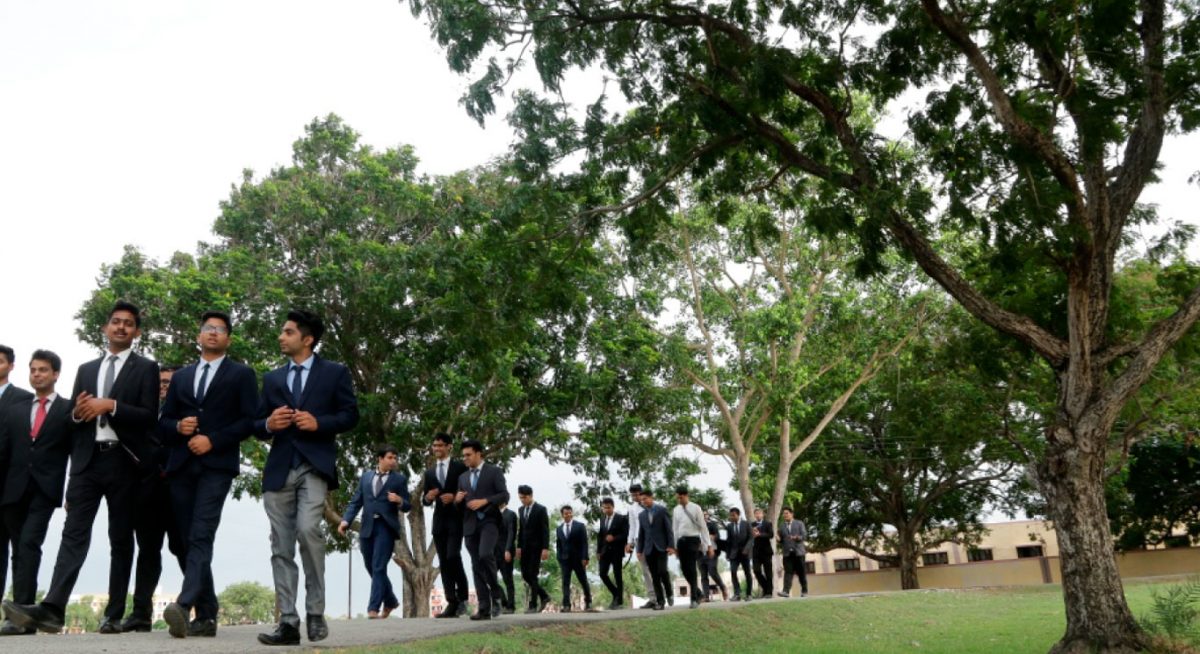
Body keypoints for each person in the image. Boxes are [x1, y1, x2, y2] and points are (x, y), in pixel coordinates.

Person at [4, 301, 160, 634]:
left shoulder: (146, 368)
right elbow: (72, 421)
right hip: (87, 463)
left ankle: (114, 614)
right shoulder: (86, 369)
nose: (121, 327)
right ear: (105, 328)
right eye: (115, 322)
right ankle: (53, 608)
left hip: (124, 461)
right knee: (73, 534)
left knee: (120, 538)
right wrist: (78, 413)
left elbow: (149, 417)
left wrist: (111, 405)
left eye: (128, 323)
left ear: (136, 332)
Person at [254, 310, 359, 646]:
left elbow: (350, 415)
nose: (281, 337)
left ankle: (315, 611)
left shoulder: (335, 373)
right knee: (280, 546)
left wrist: (319, 423)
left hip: (314, 466)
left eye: (288, 332)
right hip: (279, 471)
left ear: (308, 339)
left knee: (308, 530)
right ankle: (288, 622)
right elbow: (256, 424)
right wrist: (269, 423)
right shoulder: (272, 379)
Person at [160, 312, 259, 639]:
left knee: (201, 533)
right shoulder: (182, 377)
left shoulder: (241, 374)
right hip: (181, 467)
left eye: (220, 329)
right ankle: (206, 614)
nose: (213, 333)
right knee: (184, 541)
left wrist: (213, 440)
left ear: (228, 338)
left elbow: (250, 421)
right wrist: (178, 426)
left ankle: (184, 603)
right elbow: (164, 422)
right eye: (207, 328)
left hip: (217, 466)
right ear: (199, 336)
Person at [0, 350, 70, 636]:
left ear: (55, 374)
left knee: (29, 543)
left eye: (43, 370)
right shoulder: (15, 410)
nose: (37, 375)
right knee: (19, 548)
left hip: (45, 489)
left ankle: (21, 613)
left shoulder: (67, 409)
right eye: (33, 370)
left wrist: (73, 489)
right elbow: (4, 451)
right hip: (13, 490)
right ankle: (22, 615)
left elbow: (75, 451)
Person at [125, 364, 187, 633]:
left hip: (178, 489)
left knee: (183, 548)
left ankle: (201, 606)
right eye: (160, 382)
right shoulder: (144, 414)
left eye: (169, 382)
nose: (163, 387)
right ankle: (140, 614)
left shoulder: (188, 414)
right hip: (147, 490)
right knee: (148, 552)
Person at [339, 445, 411, 619]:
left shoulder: (399, 480)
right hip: (367, 526)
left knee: (379, 566)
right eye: (390, 457)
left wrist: (399, 500)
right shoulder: (366, 477)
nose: (393, 461)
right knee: (370, 566)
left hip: (386, 527)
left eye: (395, 458)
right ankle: (391, 600)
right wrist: (345, 521)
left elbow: (408, 505)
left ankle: (373, 608)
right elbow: (356, 502)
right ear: (380, 458)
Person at [454, 439, 509, 621]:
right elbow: (459, 507)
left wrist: (485, 501)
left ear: (478, 454)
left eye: (468, 455)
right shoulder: (462, 478)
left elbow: (504, 495)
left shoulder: (494, 472)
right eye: (463, 456)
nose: (465, 458)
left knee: (485, 555)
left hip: (489, 521)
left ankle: (496, 594)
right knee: (476, 565)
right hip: (470, 525)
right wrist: (457, 500)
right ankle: (484, 608)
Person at [422, 432, 469, 618]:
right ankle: (452, 601)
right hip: (439, 522)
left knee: (453, 555)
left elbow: (468, 491)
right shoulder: (429, 473)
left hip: (457, 519)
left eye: (440, 445)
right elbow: (425, 500)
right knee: (443, 561)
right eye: (434, 445)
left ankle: (463, 596)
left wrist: (455, 497)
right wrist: (428, 497)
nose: (437, 448)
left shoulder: (460, 468)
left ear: (449, 446)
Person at [672, 487, 714, 609]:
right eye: (677, 498)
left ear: (686, 495)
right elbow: (675, 529)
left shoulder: (696, 508)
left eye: (681, 497)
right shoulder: (676, 510)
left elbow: (703, 528)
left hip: (693, 541)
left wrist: (708, 545)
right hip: (681, 542)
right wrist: (675, 546)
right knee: (684, 569)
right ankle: (699, 593)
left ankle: (694, 599)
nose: (679, 500)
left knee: (691, 568)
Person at [635, 488, 674, 611]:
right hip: (648, 549)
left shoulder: (662, 510)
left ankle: (669, 592)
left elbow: (669, 529)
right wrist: (639, 550)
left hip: (661, 547)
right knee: (655, 576)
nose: (643, 501)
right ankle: (660, 602)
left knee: (662, 571)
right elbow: (641, 533)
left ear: (651, 497)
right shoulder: (641, 515)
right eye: (642, 500)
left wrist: (671, 546)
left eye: (645, 499)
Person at [514, 485, 551, 613]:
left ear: (530, 496)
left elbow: (545, 530)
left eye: (524, 497)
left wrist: (545, 548)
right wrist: (518, 546)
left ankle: (533, 605)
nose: (522, 500)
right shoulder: (520, 510)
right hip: (524, 548)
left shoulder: (540, 509)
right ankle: (544, 595)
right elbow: (521, 530)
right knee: (525, 575)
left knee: (533, 575)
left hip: (537, 547)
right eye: (520, 498)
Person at [624, 483, 658, 608]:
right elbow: (632, 527)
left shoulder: (653, 505)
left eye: (637, 494)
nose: (635, 497)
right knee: (645, 570)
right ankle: (652, 598)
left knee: (657, 569)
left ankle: (661, 595)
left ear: (641, 493)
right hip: (640, 541)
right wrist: (630, 543)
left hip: (654, 540)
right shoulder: (632, 508)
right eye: (633, 495)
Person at [556, 505, 592, 612]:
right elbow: (559, 545)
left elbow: (584, 543)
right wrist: (559, 557)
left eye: (570, 513)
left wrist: (585, 557)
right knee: (565, 582)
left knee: (583, 580)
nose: (568, 515)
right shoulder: (559, 529)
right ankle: (566, 605)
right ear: (562, 515)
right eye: (566, 513)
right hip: (565, 560)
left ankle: (588, 602)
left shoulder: (580, 526)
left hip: (578, 559)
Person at [596, 497, 629, 610]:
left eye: (608, 508)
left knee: (617, 575)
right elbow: (600, 536)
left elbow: (625, 534)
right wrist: (598, 551)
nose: (606, 510)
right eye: (604, 508)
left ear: (613, 507)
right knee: (602, 573)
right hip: (605, 551)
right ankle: (616, 593)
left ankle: (619, 601)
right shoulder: (602, 518)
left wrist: (614, 538)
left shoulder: (621, 518)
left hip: (616, 551)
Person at [777, 507, 808, 598]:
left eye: (786, 513)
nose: (785, 515)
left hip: (798, 552)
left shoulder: (799, 523)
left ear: (791, 514)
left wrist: (796, 537)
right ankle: (786, 591)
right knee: (788, 572)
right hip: (787, 553)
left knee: (801, 572)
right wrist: (777, 538)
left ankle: (804, 591)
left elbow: (804, 536)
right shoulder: (782, 526)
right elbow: (781, 540)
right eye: (783, 514)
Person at [725, 507, 753, 601]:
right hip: (734, 554)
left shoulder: (746, 524)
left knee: (747, 573)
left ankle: (749, 594)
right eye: (731, 515)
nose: (731, 517)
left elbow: (751, 538)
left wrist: (746, 549)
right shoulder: (729, 526)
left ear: (738, 515)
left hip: (745, 553)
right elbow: (728, 541)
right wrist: (727, 554)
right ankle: (737, 594)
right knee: (733, 572)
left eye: (733, 515)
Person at [700, 510, 728, 601]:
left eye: (705, 515)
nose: (704, 516)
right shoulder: (695, 526)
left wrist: (713, 536)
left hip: (712, 551)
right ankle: (706, 596)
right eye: (702, 515)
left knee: (712, 572)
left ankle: (723, 587)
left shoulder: (712, 525)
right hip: (700, 553)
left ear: (708, 516)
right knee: (703, 575)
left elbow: (718, 536)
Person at [495, 502, 517, 614]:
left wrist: (508, 550)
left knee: (508, 579)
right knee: (488, 577)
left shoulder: (511, 514)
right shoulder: (493, 514)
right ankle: (503, 601)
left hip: (505, 552)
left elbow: (511, 533)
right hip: (494, 553)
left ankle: (511, 606)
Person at [751, 508, 775, 598]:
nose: (758, 515)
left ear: (762, 514)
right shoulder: (752, 525)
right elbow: (750, 536)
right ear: (754, 515)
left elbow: (771, 535)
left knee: (768, 572)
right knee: (756, 570)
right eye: (756, 514)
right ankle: (766, 587)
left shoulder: (767, 524)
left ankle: (769, 592)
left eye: (759, 513)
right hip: (756, 552)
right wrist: (753, 535)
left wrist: (760, 534)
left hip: (766, 551)